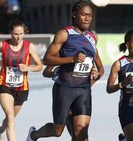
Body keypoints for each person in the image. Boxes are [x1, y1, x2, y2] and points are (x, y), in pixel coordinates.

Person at [26, 0, 104, 141]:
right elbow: (47, 59)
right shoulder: (64, 34)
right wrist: (71, 59)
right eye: (83, 15)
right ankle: (34, 135)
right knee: (58, 131)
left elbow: (99, 67)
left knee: (81, 132)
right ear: (74, 15)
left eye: (90, 15)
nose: (87, 18)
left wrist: (95, 75)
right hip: (64, 89)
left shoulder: (93, 37)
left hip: (84, 90)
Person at [0, 19, 43, 141]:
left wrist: (28, 68)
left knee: (10, 118)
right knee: (10, 116)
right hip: (5, 84)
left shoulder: (30, 47)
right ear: (10, 33)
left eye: (21, 34)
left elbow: (39, 66)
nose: (18, 37)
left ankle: (1, 130)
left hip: (22, 88)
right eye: (15, 34)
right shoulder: (3, 45)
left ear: (24, 33)